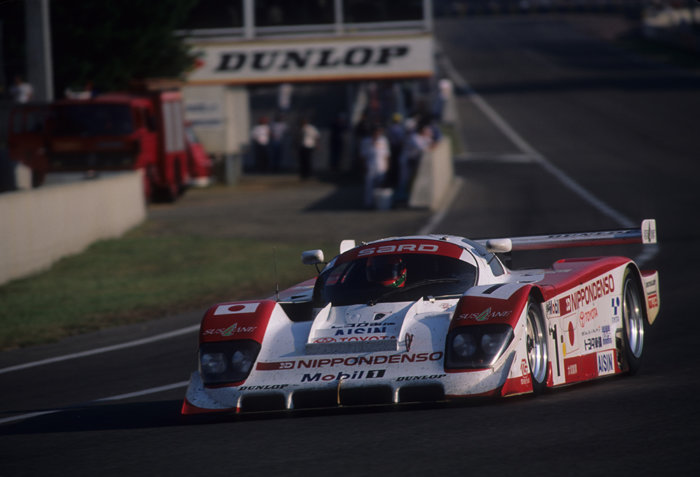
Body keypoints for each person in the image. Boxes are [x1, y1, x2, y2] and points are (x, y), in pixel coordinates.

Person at [360, 126, 390, 209]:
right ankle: (368, 203)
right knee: (369, 186)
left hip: (381, 166)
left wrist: (386, 166)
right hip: (370, 165)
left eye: (379, 132)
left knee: (380, 186)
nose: (377, 134)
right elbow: (363, 156)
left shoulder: (383, 140)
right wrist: (364, 166)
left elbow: (386, 155)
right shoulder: (366, 141)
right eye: (376, 132)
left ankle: (378, 203)